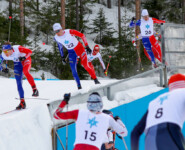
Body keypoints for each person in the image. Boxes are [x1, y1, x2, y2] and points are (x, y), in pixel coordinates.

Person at [54, 92, 128, 150]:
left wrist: (64, 101)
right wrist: (118, 121)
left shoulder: (79, 113)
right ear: (100, 104)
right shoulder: (106, 118)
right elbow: (124, 132)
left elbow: (56, 115)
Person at [131, 73, 185, 150]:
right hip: (170, 132)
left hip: (150, 139)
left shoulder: (154, 102)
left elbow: (135, 133)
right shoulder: (183, 92)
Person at [53, 23, 100, 90]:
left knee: (85, 65)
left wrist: (86, 46)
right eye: (55, 31)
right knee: (73, 71)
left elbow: (82, 35)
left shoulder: (69, 32)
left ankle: (95, 79)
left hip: (80, 49)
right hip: (71, 52)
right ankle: (79, 87)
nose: (57, 33)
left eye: (58, 31)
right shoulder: (56, 38)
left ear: (61, 29)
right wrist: (62, 57)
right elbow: (60, 47)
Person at [0, 42, 39, 110]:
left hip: (25, 60)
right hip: (17, 63)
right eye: (3, 51)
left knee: (25, 71)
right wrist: (2, 69)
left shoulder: (18, 48)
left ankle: (34, 89)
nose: (5, 53)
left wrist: (24, 57)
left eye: (6, 51)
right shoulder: (3, 55)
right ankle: (22, 102)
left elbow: (29, 52)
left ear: (11, 49)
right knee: (18, 83)